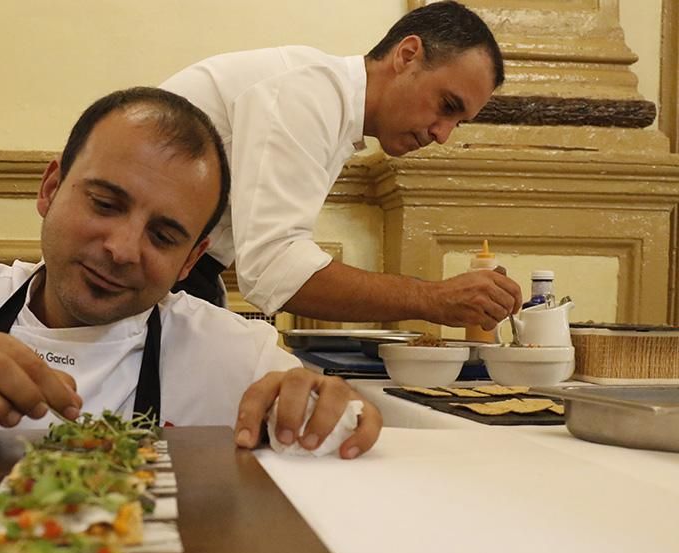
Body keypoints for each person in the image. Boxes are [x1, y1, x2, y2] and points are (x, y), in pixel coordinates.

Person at [0, 87, 382, 459]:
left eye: (164, 236)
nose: (122, 248)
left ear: (192, 261)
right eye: (104, 204)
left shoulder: (233, 352)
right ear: (51, 187)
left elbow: (326, 418)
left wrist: (328, 406)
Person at [161, 0, 522, 331]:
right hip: (138, 270)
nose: (443, 135)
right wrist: (434, 298)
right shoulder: (307, 94)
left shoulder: (329, 106)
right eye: (446, 105)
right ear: (407, 55)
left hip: (180, 273)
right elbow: (273, 269)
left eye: (458, 123)